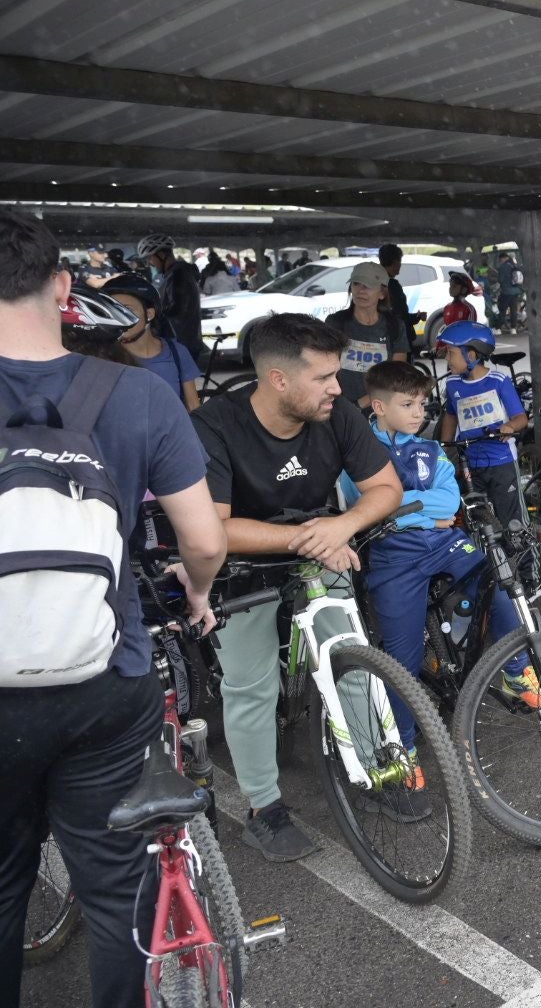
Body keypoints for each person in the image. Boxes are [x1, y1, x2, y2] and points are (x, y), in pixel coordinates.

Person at [0, 212, 226, 1008]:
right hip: (106, 673)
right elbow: (202, 538)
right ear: (64, 288)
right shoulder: (135, 394)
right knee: (113, 886)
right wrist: (196, 593)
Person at [190, 313, 402, 860]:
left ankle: (378, 768)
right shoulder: (214, 424)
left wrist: (342, 525)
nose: (338, 387)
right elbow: (214, 526)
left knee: (349, 655)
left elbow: (385, 487)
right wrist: (310, 537)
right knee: (250, 681)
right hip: (244, 562)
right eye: (325, 377)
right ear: (279, 380)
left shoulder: (338, 414)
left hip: (321, 542)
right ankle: (265, 806)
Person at [340, 363, 541, 748]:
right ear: (379, 407)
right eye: (408, 404)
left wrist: (399, 507)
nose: (420, 413)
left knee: (499, 583)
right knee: (402, 658)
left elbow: (450, 501)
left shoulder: (431, 447)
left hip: (444, 542)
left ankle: (515, 671)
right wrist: (419, 512)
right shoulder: (358, 451)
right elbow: (361, 505)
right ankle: (403, 747)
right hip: (392, 556)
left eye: (422, 403)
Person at [437, 322, 530, 554]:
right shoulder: (452, 385)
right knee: (472, 516)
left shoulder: (498, 381)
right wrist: (443, 448)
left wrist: (509, 426)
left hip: (501, 462)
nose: (447, 359)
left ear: (471, 355)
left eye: (451, 353)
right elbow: (450, 416)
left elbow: (521, 417)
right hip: (470, 462)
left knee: (513, 521)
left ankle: (530, 573)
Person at [105, 272, 202, 410]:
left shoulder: (177, 353)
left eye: (127, 309)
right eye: (112, 311)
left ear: (149, 314)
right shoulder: (105, 357)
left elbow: (193, 406)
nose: (118, 318)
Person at [324, 260, 411, 404]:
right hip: (339, 408)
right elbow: (323, 368)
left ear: (382, 293)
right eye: (356, 284)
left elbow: (396, 376)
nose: (360, 290)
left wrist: (361, 404)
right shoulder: (336, 323)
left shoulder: (395, 326)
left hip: (381, 409)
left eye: (368, 286)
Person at [136, 232, 204, 367]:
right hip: (183, 340)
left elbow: (176, 308)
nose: (150, 263)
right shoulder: (176, 273)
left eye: (150, 258)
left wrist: (150, 315)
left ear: (161, 255)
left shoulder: (178, 275)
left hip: (180, 341)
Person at [376, 243, 411, 324]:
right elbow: (401, 314)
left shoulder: (368, 281)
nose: (400, 265)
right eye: (399, 261)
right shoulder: (393, 285)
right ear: (395, 262)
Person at [495, 251, 525, 334]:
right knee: (513, 310)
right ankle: (513, 329)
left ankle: (498, 329)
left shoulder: (503, 267)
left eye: (500, 260)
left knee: (502, 310)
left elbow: (500, 280)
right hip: (515, 291)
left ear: (503, 258)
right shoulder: (514, 265)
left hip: (506, 292)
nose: (500, 261)